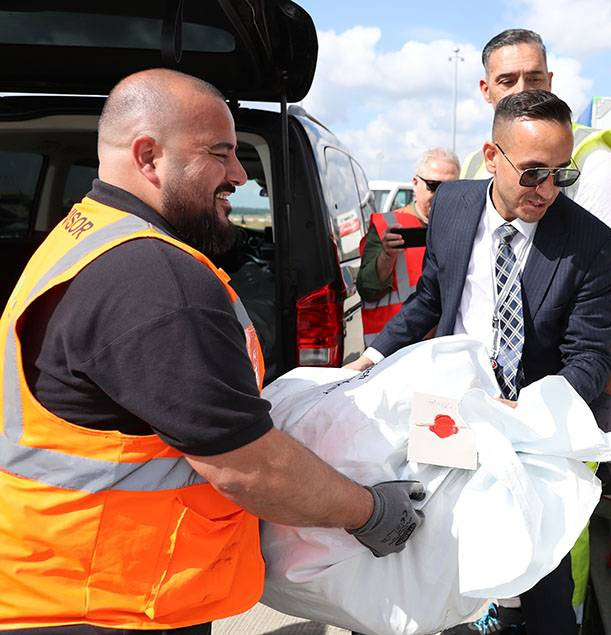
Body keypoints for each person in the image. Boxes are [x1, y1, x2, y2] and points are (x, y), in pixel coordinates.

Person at [0, 69, 423, 634]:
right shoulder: (154, 279)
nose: (240, 174)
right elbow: (245, 467)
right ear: (148, 157)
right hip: (107, 603)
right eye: (220, 153)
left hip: (57, 575)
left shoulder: (83, 234)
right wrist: (371, 513)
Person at [346, 90, 611, 635]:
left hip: (529, 432)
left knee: (542, 589)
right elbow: (429, 299)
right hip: (445, 414)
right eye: (534, 172)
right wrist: (371, 358)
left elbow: (589, 356)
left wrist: (525, 411)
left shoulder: (590, 242)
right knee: (421, 564)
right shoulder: (453, 206)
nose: (547, 191)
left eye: (562, 175)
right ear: (492, 156)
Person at [462, 29, 611, 441]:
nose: (522, 89)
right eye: (508, 81)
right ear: (486, 90)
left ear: (551, 80)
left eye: (535, 78)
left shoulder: (591, 162)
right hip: (476, 400)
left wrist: (610, 398)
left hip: (556, 401)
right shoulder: (477, 164)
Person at [358, 148, 460, 345]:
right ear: (415, 183)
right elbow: (367, 289)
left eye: (450, 187)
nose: (441, 195)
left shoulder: (464, 228)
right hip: (394, 348)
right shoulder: (386, 225)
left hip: (442, 349)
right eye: (433, 186)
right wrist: (387, 256)